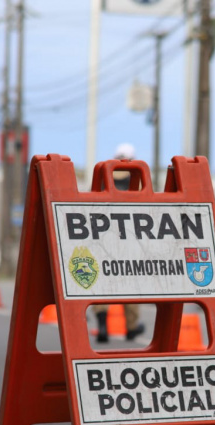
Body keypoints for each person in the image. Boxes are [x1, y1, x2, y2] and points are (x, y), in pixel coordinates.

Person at [94, 142, 146, 343]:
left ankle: (102, 325)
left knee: (103, 284)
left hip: (104, 239)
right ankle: (131, 327)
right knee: (130, 283)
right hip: (129, 240)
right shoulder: (138, 178)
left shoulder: (102, 178)